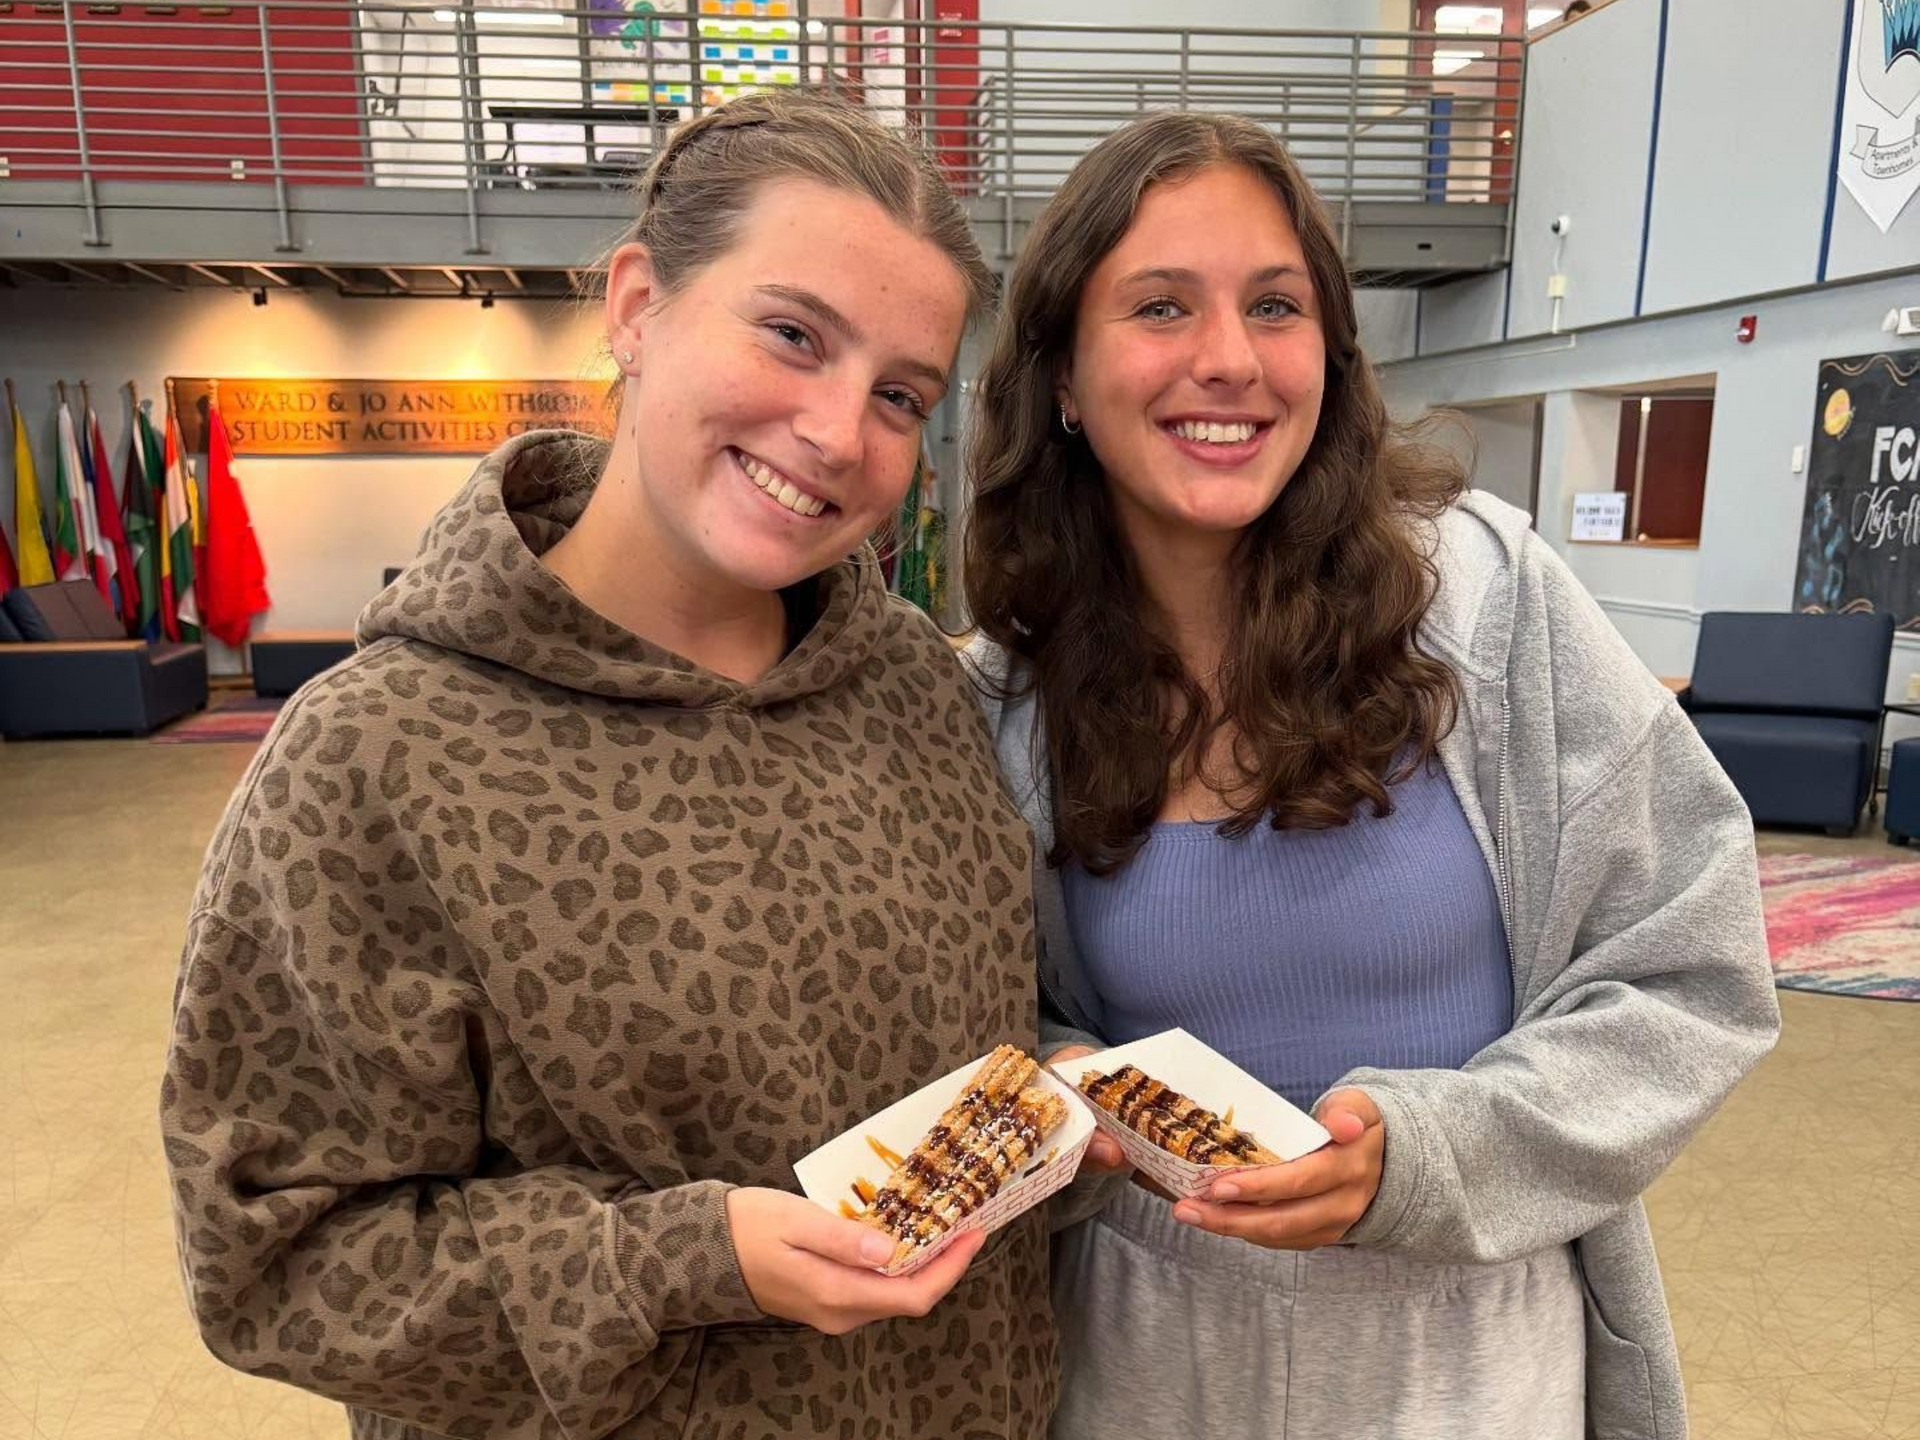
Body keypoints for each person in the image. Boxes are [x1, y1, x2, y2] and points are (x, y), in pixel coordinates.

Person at [160, 90, 1061, 1440]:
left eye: (899, 395)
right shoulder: (375, 760)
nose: (835, 430)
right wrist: (680, 1260)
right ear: (638, 304)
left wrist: (1065, 1118)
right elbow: (276, 1267)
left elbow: (958, 1088)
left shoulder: (921, 699)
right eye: (793, 334)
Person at [962, 111, 1779, 1440]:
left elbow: (1694, 965)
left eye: (1275, 307)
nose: (1228, 360)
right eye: (1161, 306)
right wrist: (1070, 1089)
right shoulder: (1008, 701)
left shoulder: (1484, 599)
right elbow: (1005, 1023)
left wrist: (1427, 1157)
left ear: (1329, 357)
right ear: (1061, 373)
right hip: (1149, 1359)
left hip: (1467, 1347)